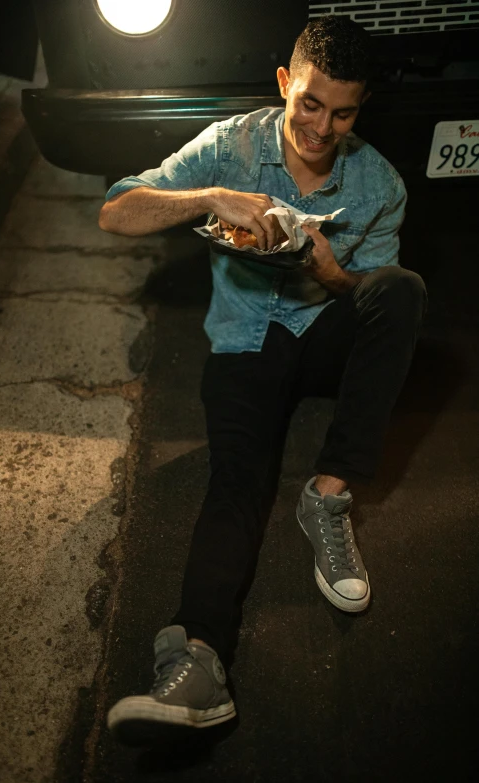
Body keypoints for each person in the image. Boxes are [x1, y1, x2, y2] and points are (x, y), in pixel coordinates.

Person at [99, 14, 427, 744]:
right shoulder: (233, 144)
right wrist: (210, 197)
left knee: (402, 289)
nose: (320, 126)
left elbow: (367, 297)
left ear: (360, 107)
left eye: (342, 111)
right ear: (285, 82)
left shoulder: (379, 182)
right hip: (245, 340)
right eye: (309, 102)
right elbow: (115, 211)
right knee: (237, 480)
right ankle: (199, 660)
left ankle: (329, 496)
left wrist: (325, 265)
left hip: (322, 332)